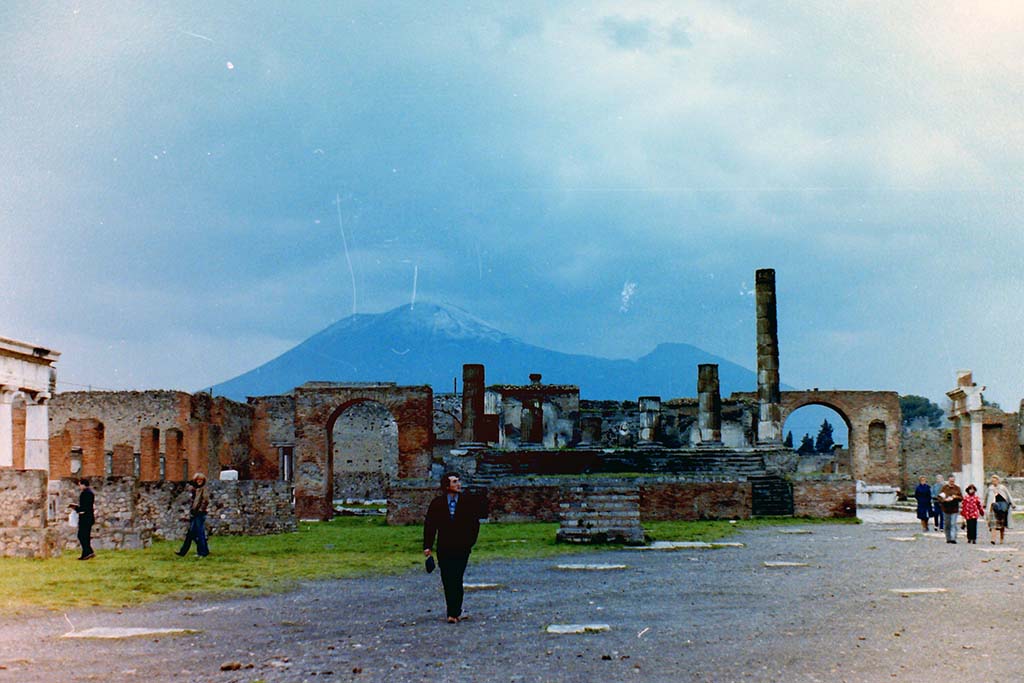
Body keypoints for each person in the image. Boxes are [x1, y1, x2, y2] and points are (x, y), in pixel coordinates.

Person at [423, 472, 488, 623]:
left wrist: (469, 542)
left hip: (461, 547)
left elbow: (474, 524)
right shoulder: (437, 503)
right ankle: (451, 612)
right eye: (454, 482)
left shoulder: (467, 502)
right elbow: (430, 525)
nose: (458, 484)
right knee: (447, 579)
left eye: (458, 481)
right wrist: (427, 545)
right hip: (444, 546)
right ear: (446, 486)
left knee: (457, 578)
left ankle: (455, 611)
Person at [176, 472, 210, 557]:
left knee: (197, 533)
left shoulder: (203, 489)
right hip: (195, 513)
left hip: (199, 513)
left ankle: (201, 552)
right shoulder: (195, 489)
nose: (199, 481)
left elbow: (205, 501)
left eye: (201, 480)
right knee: (192, 533)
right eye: (198, 479)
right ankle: (185, 551)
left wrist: (199, 510)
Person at [68, 478, 95, 560]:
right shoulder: (90, 493)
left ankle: (88, 552)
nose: (79, 487)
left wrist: (75, 508)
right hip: (89, 517)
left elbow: (84, 507)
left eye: (80, 485)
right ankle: (87, 553)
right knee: (85, 536)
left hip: (85, 517)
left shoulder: (85, 493)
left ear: (83, 484)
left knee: (82, 535)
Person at [985, 474, 1014, 545]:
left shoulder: (1002, 488)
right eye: (992, 481)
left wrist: (1012, 503)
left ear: (998, 480)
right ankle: (993, 539)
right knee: (993, 524)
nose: (994, 482)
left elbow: (1008, 496)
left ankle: (1001, 539)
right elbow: (986, 497)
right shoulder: (990, 488)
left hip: (1001, 509)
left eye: (995, 480)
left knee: (1001, 525)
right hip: (993, 508)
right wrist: (985, 504)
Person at [938, 475, 963, 544]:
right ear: (948, 481)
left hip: (954, 509)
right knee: (947, 524)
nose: (952, 482)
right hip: (946, 508)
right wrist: (944, 500)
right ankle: (948, 538)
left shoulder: (957, 488)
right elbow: (939, 497)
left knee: (953, 523)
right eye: (951, 481)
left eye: (953, 481)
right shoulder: (944, 488)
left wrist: (956, 497)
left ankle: (953, 538)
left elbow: (961, 498)